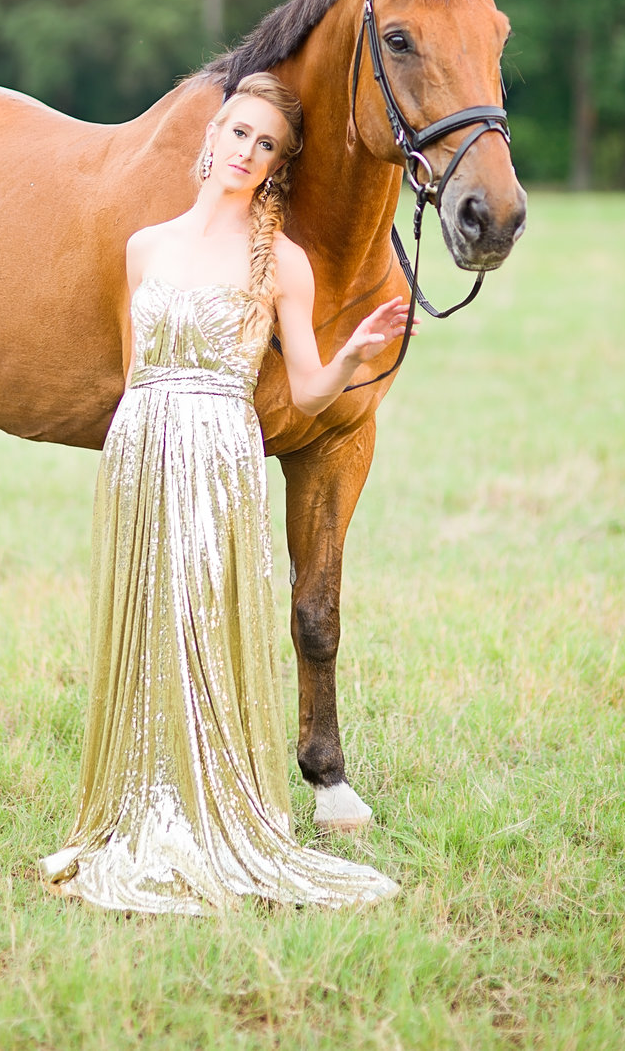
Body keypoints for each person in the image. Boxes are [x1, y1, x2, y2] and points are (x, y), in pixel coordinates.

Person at [40, 73, 410, 914]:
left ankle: (215, 807)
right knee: (145, 622)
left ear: (278, 166)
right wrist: (131, 452)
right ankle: (143, 798)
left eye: (267, 145)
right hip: (143, 444)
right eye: (239, 133)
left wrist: (354, 356)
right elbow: (135, 367)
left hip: (219, 448)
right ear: (213, 135)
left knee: (202, 622)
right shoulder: (145, 245)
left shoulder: (279, 261)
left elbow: (309, 390)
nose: (247, 152)